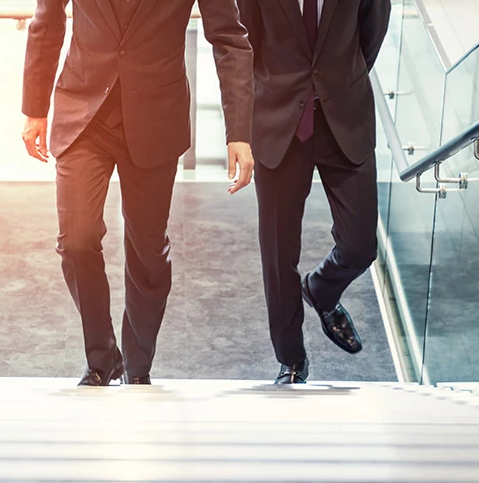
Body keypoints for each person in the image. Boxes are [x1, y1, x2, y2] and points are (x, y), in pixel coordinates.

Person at [22, 0, 255, 386]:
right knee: (76, 240)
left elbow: (229, 39)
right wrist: (34, 108)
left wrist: (239, 132)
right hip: (84, 109)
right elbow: (46, 20)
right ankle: (102, 358)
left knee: (147, 253)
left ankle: (137, 363)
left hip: (156, 114)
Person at [237, 0, 391, 384]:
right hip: (279, 119)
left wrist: (336, 82)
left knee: (360, 246)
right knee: (277, 253)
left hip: (345, 113)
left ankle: (321, 288)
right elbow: (246, 41)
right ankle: (291, 359)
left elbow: (373, 30)